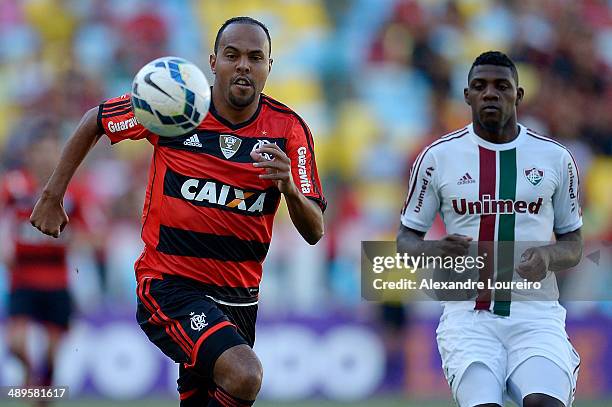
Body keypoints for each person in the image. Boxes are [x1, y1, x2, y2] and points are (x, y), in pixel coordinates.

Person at [30, 16, 326, 406]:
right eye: (232, 55)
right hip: (169, 285)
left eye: (255, 57)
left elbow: (315, 230)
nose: (243, 65)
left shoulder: (288, 130)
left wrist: (288, 188)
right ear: (213, 61)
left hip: (239, 299)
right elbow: (96, 120)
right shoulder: (176, 105)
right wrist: (52, 195)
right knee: (245, 374)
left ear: (269, 66)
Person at [397, 51, 582, 407]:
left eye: (502, 86)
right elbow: (406, 241)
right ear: (467, 95)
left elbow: (573, 243)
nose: (490, 94)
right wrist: (435, 250)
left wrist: (547, 254)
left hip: (536, 317)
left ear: (519, 94)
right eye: (480, 86)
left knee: (545, 404)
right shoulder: (437, 158)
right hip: (468, 319)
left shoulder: (555, 158)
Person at [1, 128, 91, 404]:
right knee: (16, 344)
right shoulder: (14, 185)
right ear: (29, 154)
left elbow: (93, 234)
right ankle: (30, 375)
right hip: (23, 278)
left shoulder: (73, 190)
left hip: (58, 280)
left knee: (52, 355)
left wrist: (72, 240)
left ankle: (43, 394)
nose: (45, 158)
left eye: (52, 151)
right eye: (40, 151)